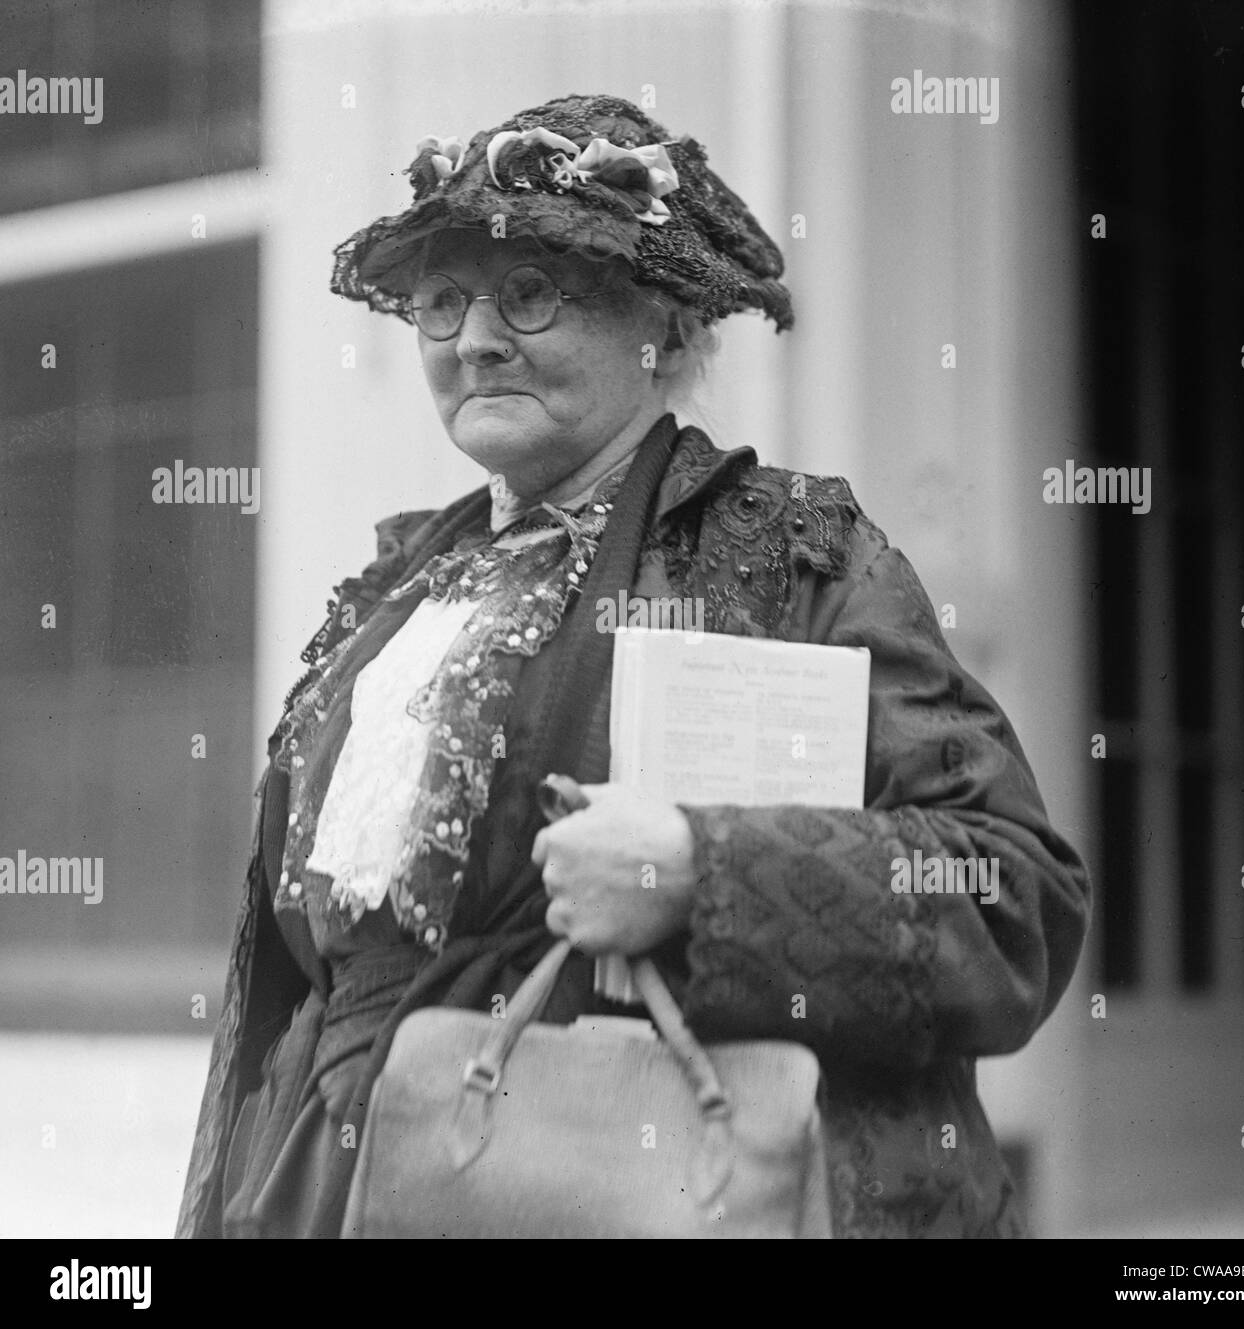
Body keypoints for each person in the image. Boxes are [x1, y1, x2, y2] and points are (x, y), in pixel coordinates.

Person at [176, 93, 1090, 1239]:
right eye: (440, 302)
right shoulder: (402, 585)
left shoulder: (794, 553)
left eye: (527, 292)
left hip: (615, 1181)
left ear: (658, 321)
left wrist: (701, 876)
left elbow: (1012, 904)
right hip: (339, 1180)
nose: (472, 340)